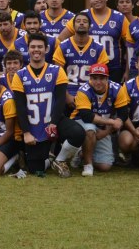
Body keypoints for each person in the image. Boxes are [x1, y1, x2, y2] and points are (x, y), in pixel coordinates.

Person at [10, 33, 85, 178]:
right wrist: (26, 132)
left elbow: (60, 100)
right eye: (33, 47)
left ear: (46, 49)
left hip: (53, 120)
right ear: (28, 49)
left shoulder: (57, 71)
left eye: (39, 47)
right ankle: (49, 157)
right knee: (36, 169)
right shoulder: (20, 75)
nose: (36, 50)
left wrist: (54, 123)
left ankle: (60, 159)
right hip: (33, 125)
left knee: (78, 133)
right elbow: (20, 106)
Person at [58, 0, 130, 83]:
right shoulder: (82, 16)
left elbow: (130, 46)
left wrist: (127, 71)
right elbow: (61, 39)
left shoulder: (119, 18)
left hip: (113, 68)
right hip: (89, 68)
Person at [69, 63, 130, 176]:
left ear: (107, 78)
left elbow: (123, 114)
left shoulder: (117, 89)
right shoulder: (83, 90)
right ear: (90, 78)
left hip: (103, 127)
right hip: (81, 122)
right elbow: (87, 116)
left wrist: (106, 131)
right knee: (90, 129)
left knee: (105, 166)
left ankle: (82, 153)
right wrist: (111, 122)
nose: (98, 82)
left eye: (102, 78)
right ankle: (88, 166)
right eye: (94, 78)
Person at [53, 12, 109, 105]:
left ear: (90, 26)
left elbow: (101, 77)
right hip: (68, 90)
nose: (81, 23)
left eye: (85, 21)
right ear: (73, 26)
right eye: (78, 21)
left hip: (90, 90)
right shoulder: (63, 46)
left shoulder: (98, 47)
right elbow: (57, 75)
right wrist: (66, 96)